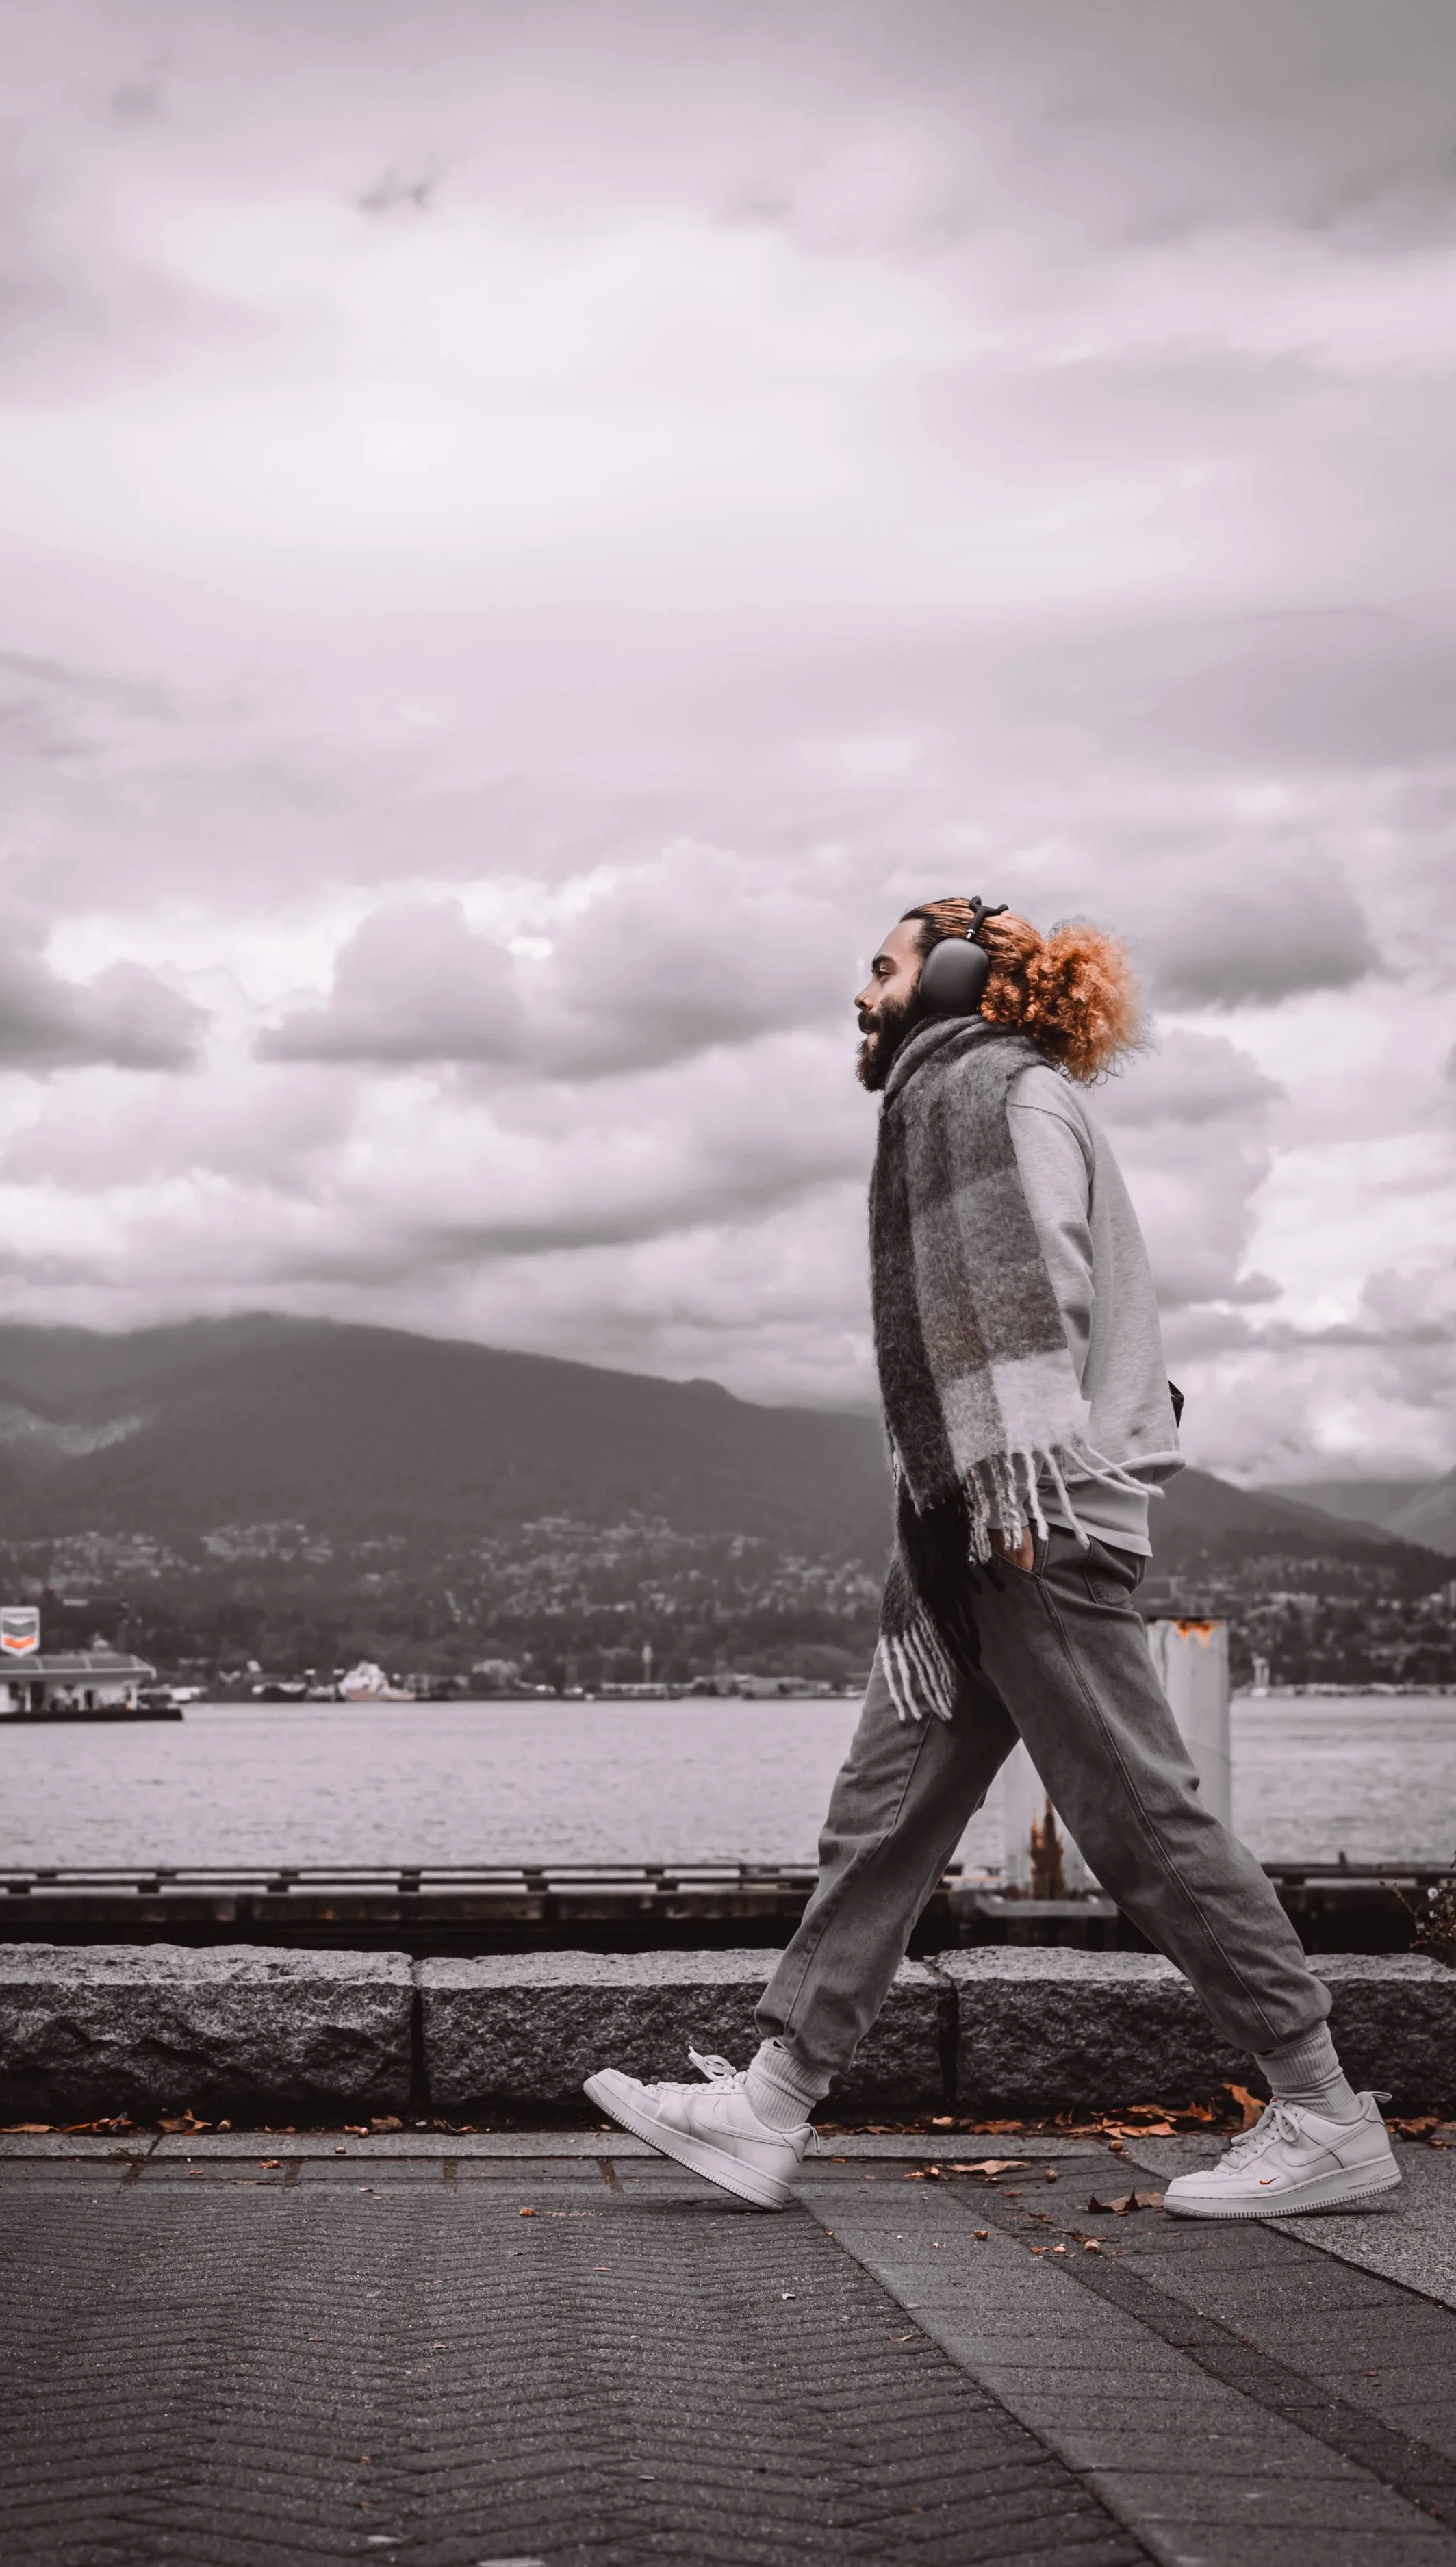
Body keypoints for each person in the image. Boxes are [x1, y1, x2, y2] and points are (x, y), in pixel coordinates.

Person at [585, 896, 1400, 2221]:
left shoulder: (1001, 1101)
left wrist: (1007, 1488)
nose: (862, 991)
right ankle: (769, 2106)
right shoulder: (942, 1104)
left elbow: (1043, 1310)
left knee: (1141, 1823)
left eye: (883, 965)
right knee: (886, 1813)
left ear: (955, 976)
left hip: (1035, 1520)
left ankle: (1322, 2109)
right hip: (970, 1534)